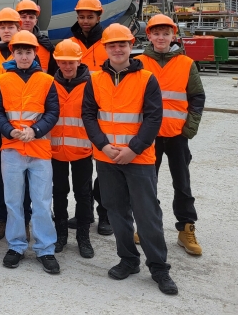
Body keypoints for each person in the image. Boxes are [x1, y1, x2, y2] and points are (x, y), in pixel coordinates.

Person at [82, 24, 179, 295]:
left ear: (130, 45)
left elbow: (153, 118)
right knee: (116, 212)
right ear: (105, 48)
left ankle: (159, 267)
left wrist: (133, 149)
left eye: (122, 44)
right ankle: (128, 260)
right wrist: (103, 145)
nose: (117, 49)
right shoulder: (95, 79)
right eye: (112, 45)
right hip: (107, 157)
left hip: (139, 158)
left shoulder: (147, 79)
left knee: (147, 214)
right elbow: (89, 115)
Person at [0, 31, 61, 274]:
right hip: (11, 148)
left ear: (35, 54)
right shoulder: (2, 80)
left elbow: (53, 112)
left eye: (28, 52)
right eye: (19, 52)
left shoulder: (46, 80)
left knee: (42, 201)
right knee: (13, 200)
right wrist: (9, 131)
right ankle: (17, 245)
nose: (23, 56)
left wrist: (36, 130)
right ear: (14, 53)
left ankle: (45, 248)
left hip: (39, 148)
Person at [139, 14, 205, 256]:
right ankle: (148, 226)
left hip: (177, 135)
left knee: (182, 184)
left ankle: (186, 228)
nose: (161, 37)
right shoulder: (140, 62)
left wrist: (191, 126)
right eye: (156, 33)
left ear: (173, 35)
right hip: (149, 136)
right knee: (147, 184)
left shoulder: (186, 63)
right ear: (149, 36)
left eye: (165, 33)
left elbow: (197, 96)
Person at [0, 8, 32, 241]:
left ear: (19, 28)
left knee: (26, 173)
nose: (7, 29)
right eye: (3, 26)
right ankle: (1, 218)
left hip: (22, 126)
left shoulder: (26, 54)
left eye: (11, 26)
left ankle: (25, 219)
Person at [68, 0, 111, 236]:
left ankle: (105, 214)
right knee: (82, 169)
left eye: (90, 17)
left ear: (98, 16)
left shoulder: (106, 43)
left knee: (104, 168)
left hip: (103, 112)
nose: (85, 21)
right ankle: (84, 212)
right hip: (77, 113)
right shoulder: (70, 42)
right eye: (82, 17)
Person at [50, 39, 94, 258]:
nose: (67, 66)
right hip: (55, 150)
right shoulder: (50, 85)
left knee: (83, 194)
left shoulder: (91, 85)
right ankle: (61, 234)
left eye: (72, 62)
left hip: (82, 150)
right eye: (63, 62)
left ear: (79, 61)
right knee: (59, 193)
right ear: (57, 62)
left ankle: (83, 237)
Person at [16, 0, 57, 75]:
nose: (27, 20)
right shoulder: (10, 43)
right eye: (24, 17)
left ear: (36, 21)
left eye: (31, 17)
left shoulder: (46, 45)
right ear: (17, 19)